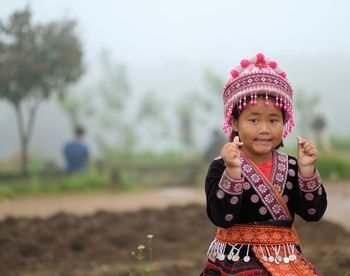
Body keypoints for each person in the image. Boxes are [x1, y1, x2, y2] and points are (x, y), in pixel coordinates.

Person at [201, 53, 327, 275]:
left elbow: (313, 213)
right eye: (253, 120)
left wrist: (307, 171)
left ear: (284, 122)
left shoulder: (291, 166)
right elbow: (222, 217)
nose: (264, 129)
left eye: (273, 120)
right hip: (234, 262)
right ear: (233, 122)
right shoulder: (220, 167)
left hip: (286, 260)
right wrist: (232, 172)